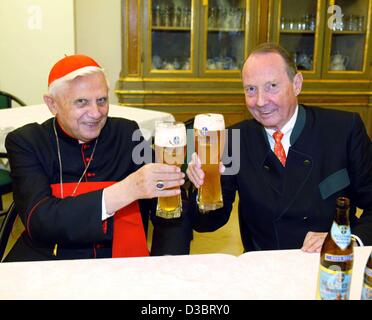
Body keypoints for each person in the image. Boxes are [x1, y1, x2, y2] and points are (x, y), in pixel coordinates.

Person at [187, 42, 372, 253]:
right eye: (251, 89)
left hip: (329, 264)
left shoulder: (343, 129)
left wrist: (346, 241)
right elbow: (207, 224)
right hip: (266, 269)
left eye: (272, 86)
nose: (260, 101)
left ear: (297, 84)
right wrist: (205, 186)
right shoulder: (233, 140)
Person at [4, 54, 189, 261]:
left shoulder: (127, 133)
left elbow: (169, 204)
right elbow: (38, 220)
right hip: (49, 261)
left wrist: (166, 264)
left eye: (101, 100)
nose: (95, 113)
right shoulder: (27, 141)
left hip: (119, 262)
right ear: (52, 104)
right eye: (81, 102)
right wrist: (128, 189)